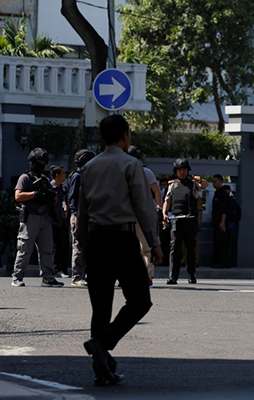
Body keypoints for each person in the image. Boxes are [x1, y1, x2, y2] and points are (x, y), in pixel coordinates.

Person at [77, 114, 163, 386]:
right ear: (125, 135)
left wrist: (82, 246)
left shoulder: (88, 167)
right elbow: (143, 207)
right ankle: (102, 343)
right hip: (123, 240)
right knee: (140, 301)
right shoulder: (131, 164)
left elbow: (83, 212)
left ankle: (102, 369)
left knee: (100, 308)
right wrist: (154, 242)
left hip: (96, 241)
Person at [11, 148, 63, 288]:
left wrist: (51, 197)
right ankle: (17, 277)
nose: (41, 164)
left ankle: (48, 277)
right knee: (25, 248)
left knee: (47, 249)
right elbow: (18, 196)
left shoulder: (45, 180)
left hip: (44, 217)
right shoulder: (25, 178)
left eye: (43, 162)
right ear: (33, 161)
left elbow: (54, 200)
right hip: (30, 217)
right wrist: (34, 194)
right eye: (39, 161)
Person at [162, 158, 208, 284]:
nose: (182, 172)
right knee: (174, 249)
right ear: (176, 171)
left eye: (184, 169)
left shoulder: (193, 184)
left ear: (187, 171)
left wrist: (200, 180)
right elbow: (166, 201)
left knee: (190, 249)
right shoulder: (172, 185)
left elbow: (205, 185)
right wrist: (164, 213)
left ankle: (191, 275)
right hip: (176, 220)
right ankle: (173, 276)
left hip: (190, 219)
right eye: (179, 170)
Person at [127, 146, 163, 287]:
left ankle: (147, 277)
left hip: (141, 215)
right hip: (127, 214)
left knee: (145, 247)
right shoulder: (123, 171)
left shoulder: (146, 172)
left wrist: (159, 208)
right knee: (130, 247)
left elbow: (157, 191)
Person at [68, 149, 95, 287]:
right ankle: (77, 276)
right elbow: (73, 198)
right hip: (79, 216)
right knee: (78, 246)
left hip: (89, 216)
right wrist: (76, 216)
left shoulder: (89, 176)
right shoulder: (77, 176)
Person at [0, 176, 20, 272]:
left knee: (2, 239)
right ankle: (10, 264)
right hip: (15, 219)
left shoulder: (3, 193)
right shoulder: (18, 193)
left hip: (3, 219)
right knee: (13, 242)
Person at [50, 165, 70, 278]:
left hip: (62, 221)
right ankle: (53, 268)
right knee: (52, 246)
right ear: (57, 175)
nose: (65, 175)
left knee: (62, 245)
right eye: (63, 173)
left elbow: (66, 200)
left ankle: (61, 268)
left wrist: (66, 210)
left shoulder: (63, 188)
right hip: (52, 221)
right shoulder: (50, 187)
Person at [211, 174, 230, 268]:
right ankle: (216, 261)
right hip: (215, 222)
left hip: (221, 223)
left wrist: (222, 222)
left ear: (220, 181)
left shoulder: (223, 194)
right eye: (213, 182)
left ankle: (222, 262)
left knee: (221, 243)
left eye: (215, 182)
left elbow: (224, 209)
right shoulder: (216, 193)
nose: (214, 184)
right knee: (216, 242)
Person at [223, 184, 241, 268]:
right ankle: (229, 262)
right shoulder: (232, 201)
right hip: (231, 224)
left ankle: (229, 262)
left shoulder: (231, 201)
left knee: (229, 244)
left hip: (230, 225)